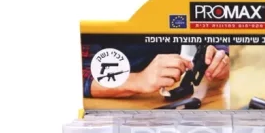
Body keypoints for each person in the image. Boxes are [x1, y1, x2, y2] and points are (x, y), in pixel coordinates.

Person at [84, 44, 229, 98]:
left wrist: (220, 56)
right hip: (111, 111)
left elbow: (205, 26)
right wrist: (138, 80)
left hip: (165, 102)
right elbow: (77, 77)